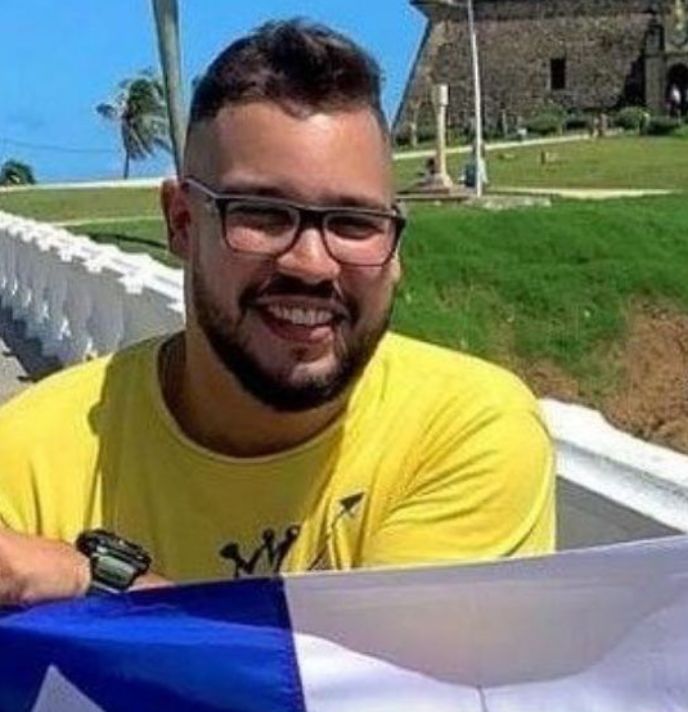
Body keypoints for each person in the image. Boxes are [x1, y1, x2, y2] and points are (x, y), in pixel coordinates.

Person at [0, 20, 555, 603]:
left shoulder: (465, 431)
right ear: (182, 223)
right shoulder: (29, 455)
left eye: (354, 223)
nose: (312, 263)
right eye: (262, 215)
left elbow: (361, 689)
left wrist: (97, 578)